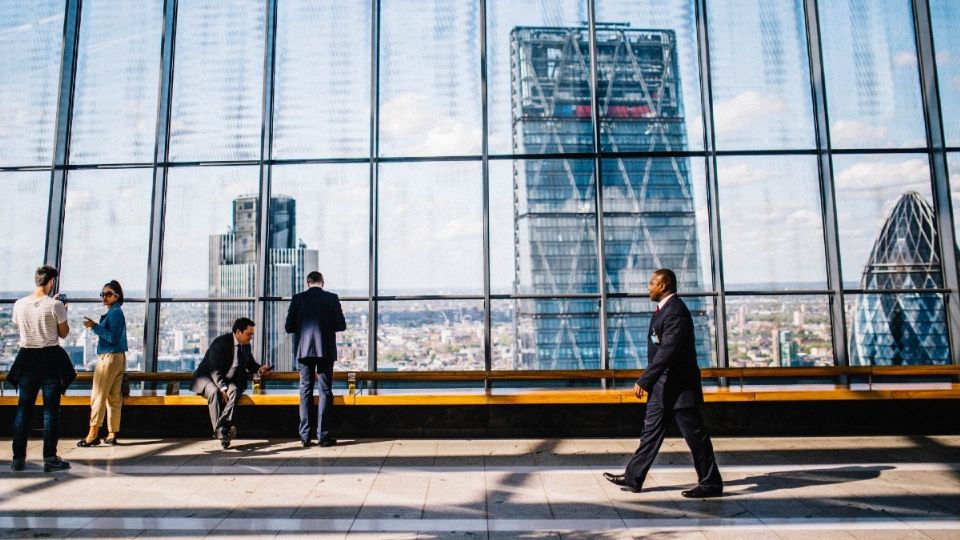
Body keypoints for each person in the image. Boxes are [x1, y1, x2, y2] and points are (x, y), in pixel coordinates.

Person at [603, 268, 723, 498]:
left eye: (651, 283)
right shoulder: (664, 310)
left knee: (695, 437)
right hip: (663, 388)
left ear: (664, 285)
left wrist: (645, 380)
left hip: (679, 389)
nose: (648, 287)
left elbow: (668, 351)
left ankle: (711, 483)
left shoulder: (675, 312)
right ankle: (633, 477)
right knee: (650, 433)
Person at [8, 265, 73, 472]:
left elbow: (20, 326)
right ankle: (50, 458)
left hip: (26, 358)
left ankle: (18, 458)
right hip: (49, 359)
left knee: (23, 409)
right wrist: (63, 311)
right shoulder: (55, 306)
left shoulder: (19, 304)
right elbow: (63, 334)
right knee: (50, 411)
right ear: (52, 282)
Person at [285, 271, 346, 447]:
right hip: (325, 350)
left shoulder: (297, 299)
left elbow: (289, 327)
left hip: (304, 350)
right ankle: (323, 436)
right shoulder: (332, 298)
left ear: (307, 283)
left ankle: (304, 437)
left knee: (305, 391)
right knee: (325, 391)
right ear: (323, 283)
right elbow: (341, 325)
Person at [190, 317, 271, 449]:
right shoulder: (220, 343)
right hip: (207, 378)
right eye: (249, 334)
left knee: (235, 391)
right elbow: (214, 369)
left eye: (252, 334)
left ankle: (220, 430)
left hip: (227, 380)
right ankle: (223, 433)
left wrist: (260, 368)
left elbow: (250, 363)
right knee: (215, 392)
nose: (251, 337)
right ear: (238, 332)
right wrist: (222, 388)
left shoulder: (245, 346)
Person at [78, 280, 128, 447]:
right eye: (102, 294)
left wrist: (94, 327)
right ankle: (112, 432)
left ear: (117, 296)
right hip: (119, 358)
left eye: (108, 294)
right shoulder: (117, 312)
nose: (104, 297)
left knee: (98, 395)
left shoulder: (114, 313)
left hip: (108, 358)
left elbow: (112, 337)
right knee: (114, 397)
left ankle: (93, 434)